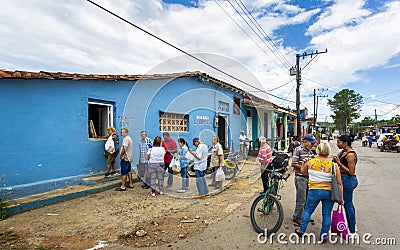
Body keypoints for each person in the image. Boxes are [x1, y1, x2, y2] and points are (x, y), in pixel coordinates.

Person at [295, 142, 343, 243]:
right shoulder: (334, 166)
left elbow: (303, 172)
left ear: (318, 150)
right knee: (326, 214)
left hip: (314, 191)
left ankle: (302, 230)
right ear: (328, 152)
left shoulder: (310, 162)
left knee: (308, 210)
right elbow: (339, 184)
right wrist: (341, 198)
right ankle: (323, 236)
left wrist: (304, 162)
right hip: (328, 192)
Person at [333, 134, 359, 236]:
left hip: (348, 180)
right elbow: (335, 158)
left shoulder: (350, 155)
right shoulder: (344, 152)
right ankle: (350, 225)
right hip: (344, 179)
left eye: (339, 142)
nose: (337, 144)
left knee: (348, 204)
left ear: (345, 143)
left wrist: (339, 163)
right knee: (346, 203)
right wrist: (339, 155)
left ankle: (352, 229)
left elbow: (351, 172)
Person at [292, 134, 317, 225]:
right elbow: (294, 163)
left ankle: (305, 215)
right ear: (305, 142)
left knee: (308, 198)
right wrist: (304, 167)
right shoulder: (298, 150)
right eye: (311, 143)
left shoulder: (311, 152)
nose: (312, 145)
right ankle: (297, 217)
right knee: (301, 199)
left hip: (309, 178)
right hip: (300, 177)